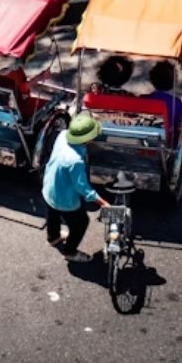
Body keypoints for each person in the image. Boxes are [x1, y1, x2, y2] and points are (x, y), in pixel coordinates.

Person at [42, 112, 110, 263]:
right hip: (65, 199)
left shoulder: (63, 135)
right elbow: (83, 189)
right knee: (81, 223)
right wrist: (103, 203)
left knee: (52, 213)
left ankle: (53, 237)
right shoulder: (75, 161)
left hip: (49, 187)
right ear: (86, 140)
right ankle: (70, 252)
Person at [146, 61, 182, 142]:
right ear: (173, 82)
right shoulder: (176, 103)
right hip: (166, 143)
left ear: (152, 80)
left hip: (143, 140)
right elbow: (180, 125)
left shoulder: (143, 99)